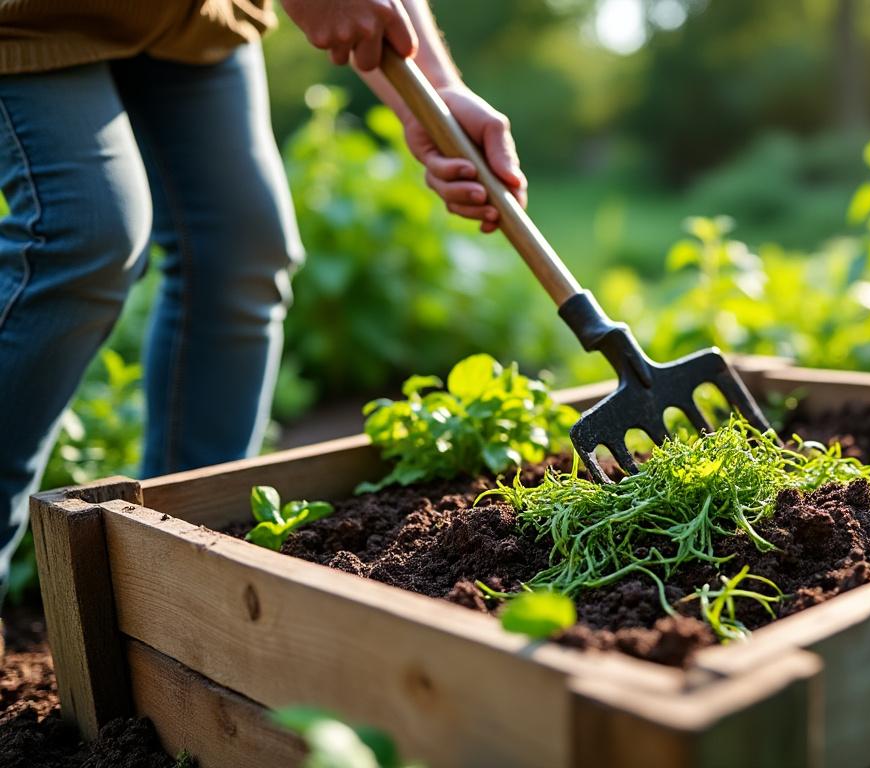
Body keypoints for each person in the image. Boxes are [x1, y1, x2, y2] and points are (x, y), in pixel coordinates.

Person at [0, 0, 526, 599]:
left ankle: (186, 581)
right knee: (84, 232)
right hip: (35, 14)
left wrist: (433, 90)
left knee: (241, 251)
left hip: (192, 19)